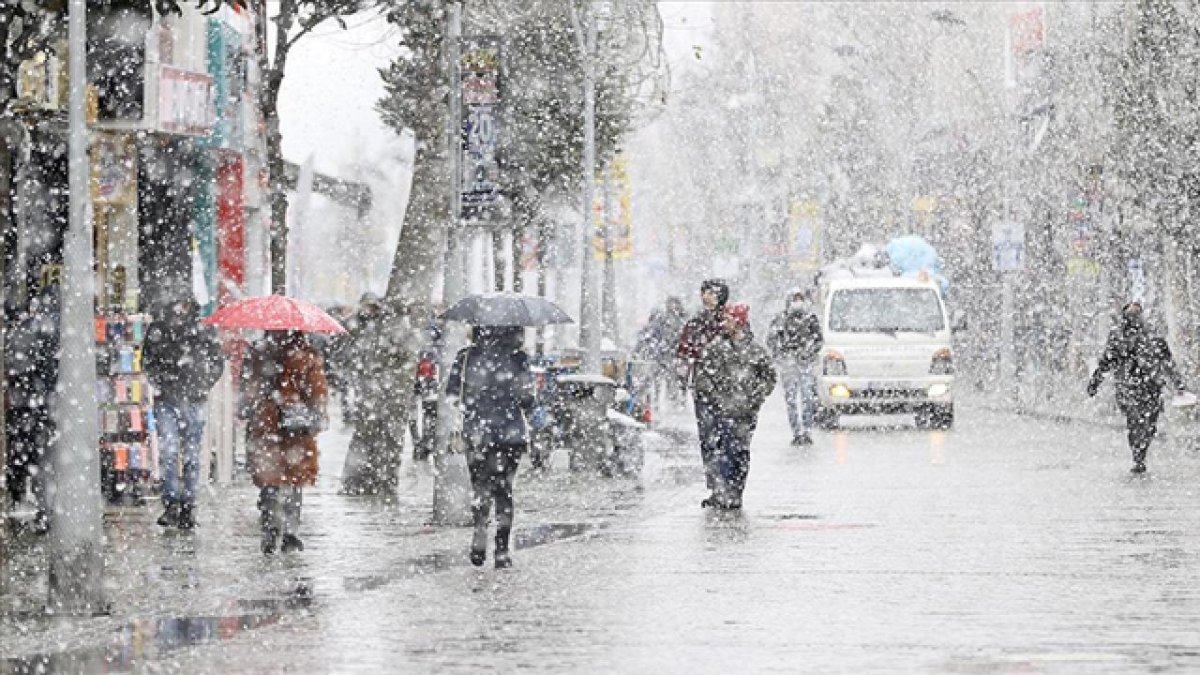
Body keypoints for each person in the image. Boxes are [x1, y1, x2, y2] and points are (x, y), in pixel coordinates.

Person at [445, 325, 536, 569]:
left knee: (480, 485)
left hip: (477, 432)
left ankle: (479, 533)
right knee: (504, 489)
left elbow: (452, 394)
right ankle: (502, 549)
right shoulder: (519, 358)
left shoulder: (465, 357)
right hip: (511, 434)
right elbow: (528, 399)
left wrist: (475, 397)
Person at [243, 330, 329, 554]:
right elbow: (317, 392)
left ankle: (274, 527)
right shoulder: (306, 355)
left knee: (276, 480)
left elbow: (249, 389)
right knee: (290, 480)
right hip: (290, 427)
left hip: (275, 427)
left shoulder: (260, 353)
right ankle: (287, 531)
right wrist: (314, 413)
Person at [143, 297, 225, 530]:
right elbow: (147, 362)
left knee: (189, 456)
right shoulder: (160, 329)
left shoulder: (202, 330)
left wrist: (203, 384)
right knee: (171, 453)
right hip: (169, 400)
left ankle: (187, 505)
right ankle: (172, 505)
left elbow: (217, 362)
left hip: (193, 400)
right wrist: (163, 382)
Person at [1087, 302, 1186, 474]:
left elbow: (1167, 361)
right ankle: (1138, 456)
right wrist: (1095, 382)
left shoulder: (1153, 336)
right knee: (1135, 423)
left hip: (1151, 388)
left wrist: (1178, 383)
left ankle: (1142, 450)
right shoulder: (1117, 337)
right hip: (1129, 388)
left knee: (1149, 425)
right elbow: (1106, 362)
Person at [694, 303, 776, 509]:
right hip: (722, 410)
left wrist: (755, 397)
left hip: (745, 412)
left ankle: (735, 491)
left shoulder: (755, 351)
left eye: (729, 319)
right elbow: (703, 377)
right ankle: (722, 491)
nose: (724, 323)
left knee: (739, 452)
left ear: (739, 322)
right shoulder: (715, 348)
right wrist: (717, 398)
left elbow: (769, 378)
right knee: (721, 448)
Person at [4, 288, 61, 533]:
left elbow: (16, 368)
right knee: (37, 460)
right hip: (34, 406)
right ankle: (40, 511)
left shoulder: (22, 333)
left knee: (25, 460)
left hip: (24, 406)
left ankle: (24, 505)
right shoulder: (46, 333)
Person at [676, 278, 730, 506]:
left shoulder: (730, 322)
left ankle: (729, 485)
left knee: (728, 438)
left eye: (710, 292)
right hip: (703, 389)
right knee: (708, 437)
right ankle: (716, 486)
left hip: (728, 390)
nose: (705, 296)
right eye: (703, 292)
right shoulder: (696, 323)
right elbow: (683, 352)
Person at [767, 287, 823, 445]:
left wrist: (809, 353)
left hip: (805, 363)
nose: (797, 303)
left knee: (807, 398)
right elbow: (771, 340)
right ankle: (796, 432)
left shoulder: (810, 318)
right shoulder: (781, 319)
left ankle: (807, 430)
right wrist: (782, 355)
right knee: (791, 400)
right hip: (788, 364)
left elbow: (818, 339)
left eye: (800, 299)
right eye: (794, 299)